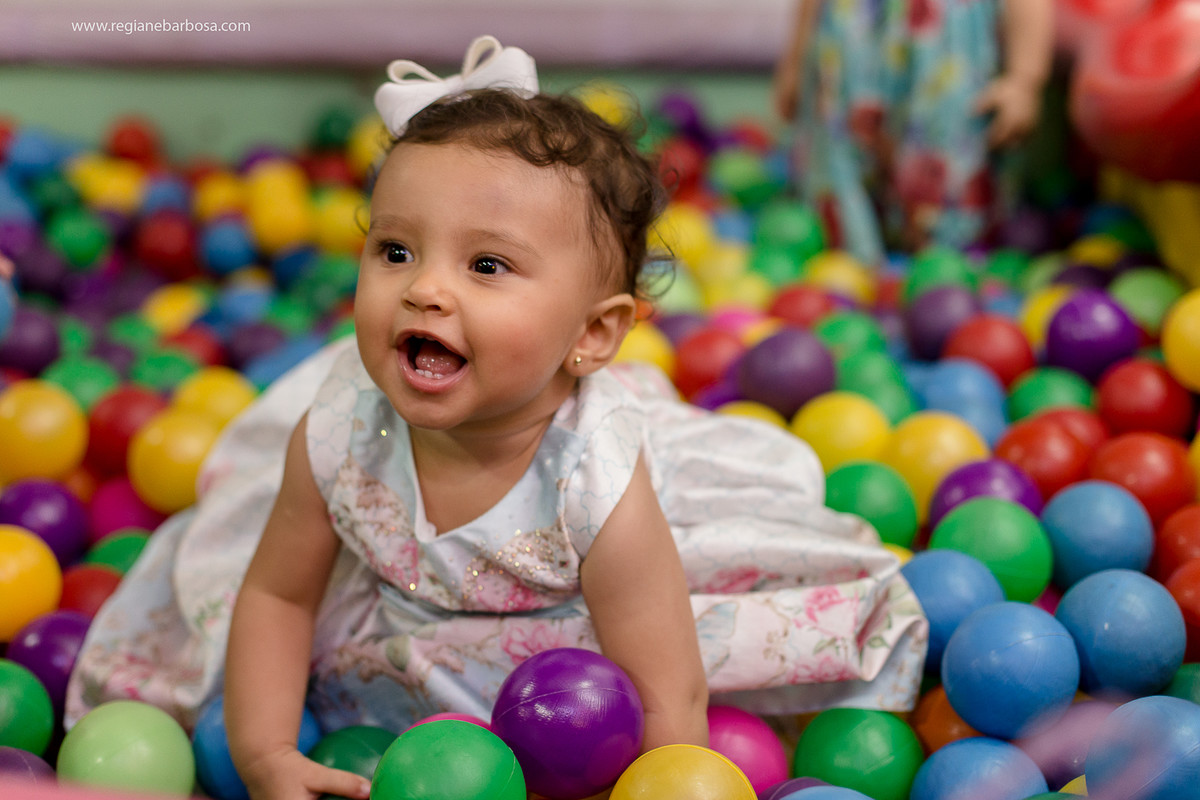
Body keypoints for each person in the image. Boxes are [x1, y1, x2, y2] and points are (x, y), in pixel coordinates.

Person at [67, 36, 926, 800]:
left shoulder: (595, 477)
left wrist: (665, 778)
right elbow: (280, 594)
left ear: (591, 335)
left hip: (572, 659)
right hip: (401, 630)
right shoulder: (340, 435)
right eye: (395, 249)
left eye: (486, 264)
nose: (425, 287)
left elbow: (666, 688)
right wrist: (262, 755)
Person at [772, 0, 1054, 265]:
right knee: (840, 162)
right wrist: (794, 62)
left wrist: (1024, 79)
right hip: (852, 47)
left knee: (945, 207)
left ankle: (942, 259)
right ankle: (851, 249)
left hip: (943, 59)